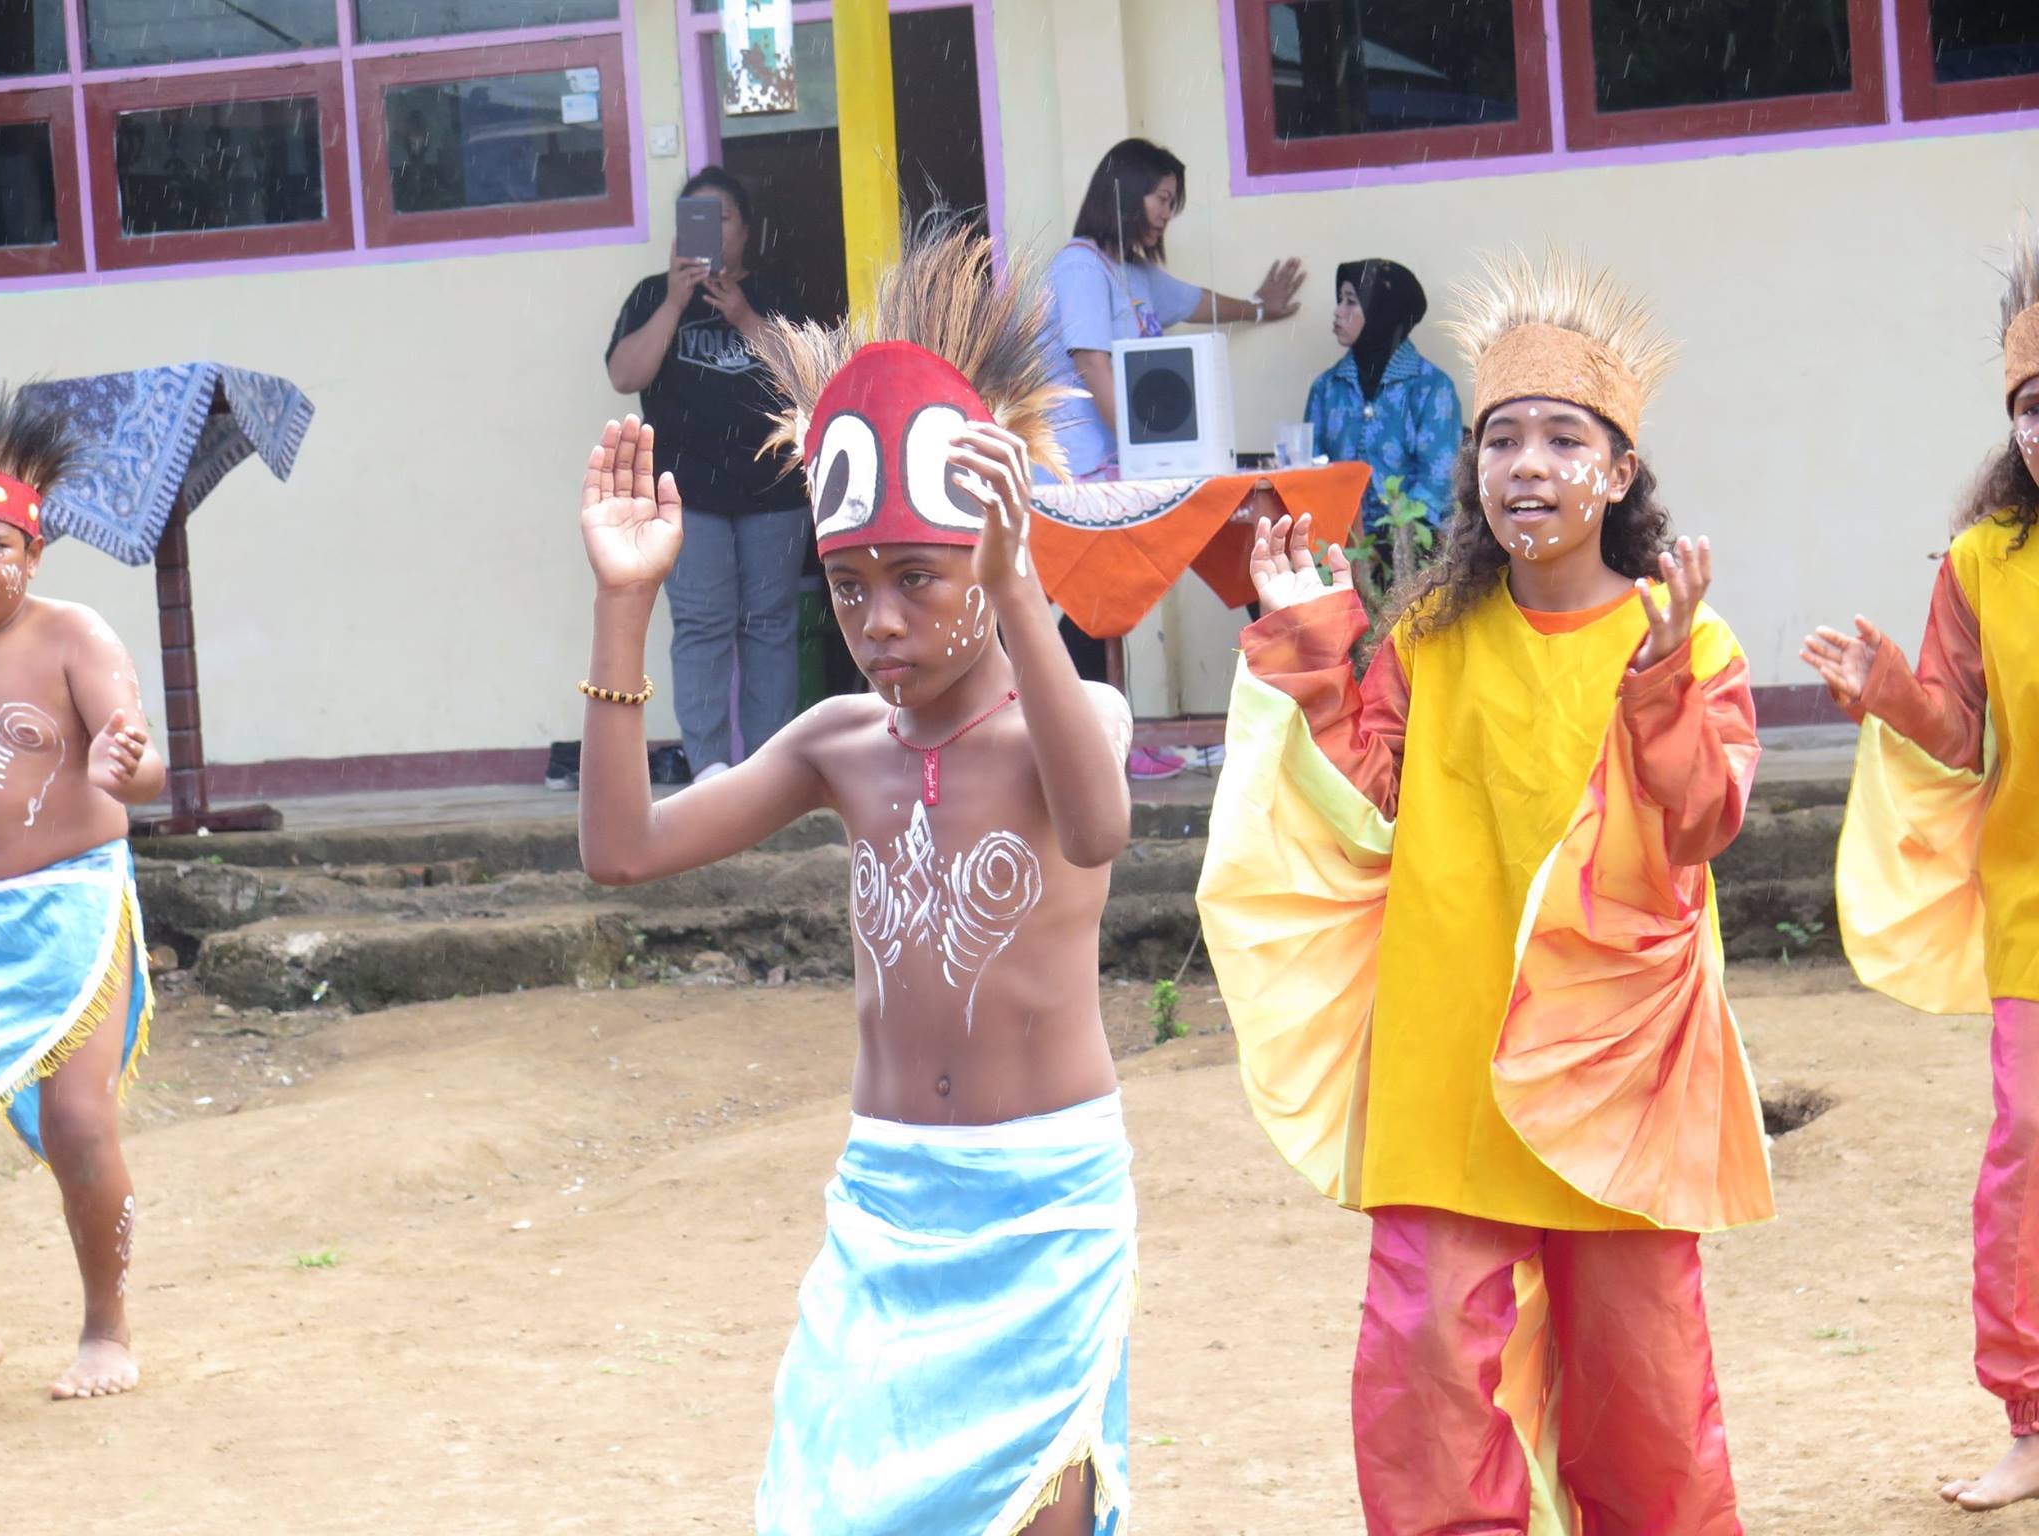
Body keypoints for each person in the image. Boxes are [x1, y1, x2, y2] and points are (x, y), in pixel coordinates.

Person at [574, 223, 1139, 1535]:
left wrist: (1019, 586)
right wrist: (622, 606)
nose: (879, 620)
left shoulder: (1067, 728)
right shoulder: (840, 749)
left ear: (989, 559)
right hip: (888, 1201)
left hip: (1045, 1204)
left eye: (918, 579)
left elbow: (1101, 826)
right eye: (848, 584)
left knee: (1041, 1514)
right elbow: (623, 850)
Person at [1197, 250, 1773, 1534]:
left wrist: (1666, 676)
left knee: (1646, 1405)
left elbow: (1699, 823)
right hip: (1442, 1061)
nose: (1525, 464)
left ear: (1617, 472)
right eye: (1498, 437)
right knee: (1423, 1394)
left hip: (1617, 1076)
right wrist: (1305, 638)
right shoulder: (1426, 639)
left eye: (1561, 437)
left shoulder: (1686, 640)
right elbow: (1361, 798)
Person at [1802, 220, 2039, 1514]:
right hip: (2032, 910)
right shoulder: (1983, 563)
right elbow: (1958, 726)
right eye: (2035, 406)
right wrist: (1892, 690)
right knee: (2030, 1148)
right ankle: (2033, 1415)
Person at [0, 383, 163, 1400]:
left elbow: (140, 769)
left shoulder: (72, 636)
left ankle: (108, 1326)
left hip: (71, 906)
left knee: (79, 1123)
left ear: (32, 552)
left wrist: (121, 764)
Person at [1041, 137, 1305, 778]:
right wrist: (1139, 450)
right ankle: (1094, 741)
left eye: (1171, 203)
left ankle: (1102, 737)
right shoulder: (1080, 266)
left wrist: (1264, 308)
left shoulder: (1132, 275)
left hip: (1127, 465)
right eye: (1161, 199)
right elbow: (1091, 363)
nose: (1165, 214)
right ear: (1127, 192)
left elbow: (1197, 301)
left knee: (1124, 593)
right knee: (1098, 602)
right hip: (1081, 468)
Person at [605, 165, 808, 786]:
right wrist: (674, 300)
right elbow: (625, 375)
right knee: (701, 625)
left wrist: (745, 316)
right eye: (697, 220)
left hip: (774, 491)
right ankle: (711, 767)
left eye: (722, 218)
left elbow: (809, 381)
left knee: (770, 625)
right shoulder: (650, 295)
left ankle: (772, 768)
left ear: (746, 231)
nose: (712, 231)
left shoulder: (779, 297)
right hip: (684, 493)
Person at [1303, 259, 1462, 562]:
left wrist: (1386, 548)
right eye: (1340, 301)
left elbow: (1439, 481)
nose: (1338, 311)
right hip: (1336, 552)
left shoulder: (1431, 388)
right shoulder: (1326, 387)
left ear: (1383, 312)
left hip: (1412, 558)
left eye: (1351, 302)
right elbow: (1310, 473)